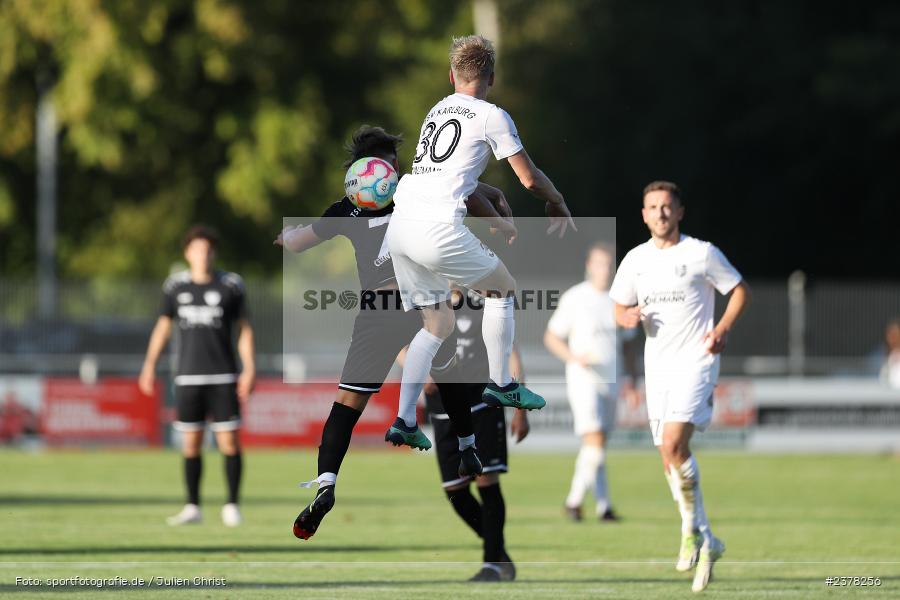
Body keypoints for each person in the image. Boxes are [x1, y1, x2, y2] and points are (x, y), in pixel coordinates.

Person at [275, 125, 517, 540]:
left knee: (347, 403)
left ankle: (327, 482)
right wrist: (494, 203)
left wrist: (285, 237)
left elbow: (299, 243)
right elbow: (465, 187)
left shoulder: (347, 209)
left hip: (377, 309)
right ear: (393, 164)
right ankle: (466, 448)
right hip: (423, 300)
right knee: (449, 374)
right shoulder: (416, 189)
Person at [385, 34, 576, 452]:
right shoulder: (492, 115)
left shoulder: (437, 110)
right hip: (436, 230)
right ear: (491, 77)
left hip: (400, 229)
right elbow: (529, 178)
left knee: (436, 324)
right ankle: (503, 384)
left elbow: (455, 181)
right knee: (503, 289)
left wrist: (489, 203)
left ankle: (402, 419)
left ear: (451, 75)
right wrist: (558, 201)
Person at [609, 181, 751, 592]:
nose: (661, 213)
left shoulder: (701, 253)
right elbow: (619, 307)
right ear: (644, 214)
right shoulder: (635, 260)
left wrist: (722, 328)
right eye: (653, 207)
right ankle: (708, 538)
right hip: (659, 367)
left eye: (667, 206)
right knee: (668, 459)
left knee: (675, 444)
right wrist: (627, 317)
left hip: (697, 360)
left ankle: (690, 531)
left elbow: (740, 290)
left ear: (680, 211)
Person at [139, 225, 256, 527]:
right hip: (188, 377)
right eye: (197, 250)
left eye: (208, 250)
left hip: (223, 376)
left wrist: (250, 368)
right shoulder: (175, 287)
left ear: (213, 253)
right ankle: (192, 506)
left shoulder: (231, 285)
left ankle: (231, 505)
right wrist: (149, 365)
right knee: (191, 445)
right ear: (188, 253)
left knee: (229, 442)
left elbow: (243, 329)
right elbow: (163, 327)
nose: (203, 255)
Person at [422, 289, 529, 582]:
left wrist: (519, 407)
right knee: (455, 492)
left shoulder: (484, 303)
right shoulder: (424, 300)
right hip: (443, 410)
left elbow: (511, 352)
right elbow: (400, 345)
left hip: (481, 403)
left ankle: (492, 564)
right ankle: (498, 552)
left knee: (486, 481)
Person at [544, 242, 639, 523]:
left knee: (596, 446)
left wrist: (632, 382)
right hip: (584, 379)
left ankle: (603, 507)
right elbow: (551, 337)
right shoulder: (576, 298)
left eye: (609, 264)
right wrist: (574, 357)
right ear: (589, 266)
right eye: (599, 263)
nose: (605, 270)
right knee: (594, 440)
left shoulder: (619, 300)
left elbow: (628, 346)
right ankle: (573, 501)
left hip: (611, 380)